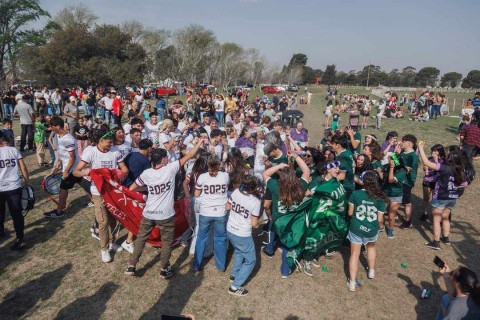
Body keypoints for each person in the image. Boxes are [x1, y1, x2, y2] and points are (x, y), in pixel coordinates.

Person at [125, 138, 204, 277]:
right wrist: (199, 142)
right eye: (166, 157)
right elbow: (190, 154)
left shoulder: (147, 173)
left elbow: (132, 188)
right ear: (162, 160)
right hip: (166, 215)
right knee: (167, 242)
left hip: (148, 213)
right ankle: (164, 269)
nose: (168, 158)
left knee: (141, 239)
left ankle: (131, 265)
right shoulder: (170, 169)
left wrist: (148, 189)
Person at [73, 128, 129, 263]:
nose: (111, 145)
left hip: (112, 191)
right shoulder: (90, 152)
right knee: (103, 221)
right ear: (100, 141)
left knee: (113, 219)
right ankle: (104, 249)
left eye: (112, 142)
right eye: (108, 142)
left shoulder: (115, 151)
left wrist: (121, 174)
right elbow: (76, 171)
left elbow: (124, 169)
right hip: (98, 192)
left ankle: (112, 242)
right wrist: (86, 172)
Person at [263, 153, 310, 278]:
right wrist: (296, 156)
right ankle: (285, 270)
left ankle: (270, 249)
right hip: (294, 222)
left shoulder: (275, 187)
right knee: (288, 245)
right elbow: (306, 170)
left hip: (279, 222)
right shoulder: (301, 187)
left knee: (282, 241)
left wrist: (279, 166)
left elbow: (265, 174)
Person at [418, 141, 467, 250]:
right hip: (453, 197)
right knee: (445, 218)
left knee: (436, 219)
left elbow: (426, 162)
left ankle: (436, 242)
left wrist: (421, 148)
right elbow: (464, 184)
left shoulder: (445, 168)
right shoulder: (461, 170)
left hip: (441, 197)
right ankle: (446, 238)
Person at [347, 171, 387, 292]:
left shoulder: (355, 194)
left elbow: (349, 213)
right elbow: (380, 220)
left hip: (356, 227)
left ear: (363, 181)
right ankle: (371, 271)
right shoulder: (380, 198)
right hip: (371, 229)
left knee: (354, 254)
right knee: (371, 248)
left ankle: (352, 282)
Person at [225, 175, 262, 296]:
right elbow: (254, 223)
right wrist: (257, 225)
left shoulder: (236, 192)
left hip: (230, 229)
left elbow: (227, 206)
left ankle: (234, 274)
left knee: (239, 251)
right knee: (251, 260)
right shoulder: (255, 202)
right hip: (242, 234)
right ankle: (235, 287)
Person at [193, 155, 230, 272]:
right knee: (220, 239)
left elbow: (197, 194)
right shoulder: (225, 176)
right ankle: (220, 266)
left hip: (205, 211)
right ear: (219, 165)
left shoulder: (202, 177)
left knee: (201, 238)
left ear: (208, 165)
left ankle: (197, 264)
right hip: (220, 212)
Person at [43, 117, 82, 218]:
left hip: (72, 169)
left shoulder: (68, 139)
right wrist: (56, 167)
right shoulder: (60, 137)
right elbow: (62, 155)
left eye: (51, 127)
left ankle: (59, 211)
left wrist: (66, 171)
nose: (50, 129)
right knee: (84, 184)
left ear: (58, 126)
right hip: (72, 168)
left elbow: (72, 157)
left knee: (63, 188)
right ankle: (95, 200)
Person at [121, 138, 153, 253]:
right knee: (137, 215)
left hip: (125, 188)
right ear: (149, 148)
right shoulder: (145, 161)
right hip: (136, 190)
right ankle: (128, 241)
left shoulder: (131, 154)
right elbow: (149, 177)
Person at [0, 131, 30, 250]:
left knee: (0, 212)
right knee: (16, 214)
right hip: (14, 186)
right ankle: (20, 238)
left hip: (1, 188)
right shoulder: (13, 150)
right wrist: (27, 182)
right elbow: (23, 167)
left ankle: (1, 232)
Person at [383, 143, 408, 239]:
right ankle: (380, 226)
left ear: (395, 162)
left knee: (391, 214)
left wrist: (392, 168)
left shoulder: (402, 172)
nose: (388, 159)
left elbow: (390, 180)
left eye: (390, 159)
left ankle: (390, 228)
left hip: (396, 195)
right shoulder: (387, 166)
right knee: (380, 211)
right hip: (385, 192)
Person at [421, 144, 446, 221]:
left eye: (435, 151)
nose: (433, 153)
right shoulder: (430, 159)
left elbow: (441, 171)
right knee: (426, 198)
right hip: (428, 180)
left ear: (440, 152)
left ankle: (434, 214)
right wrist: (425, 168)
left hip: (437, 182)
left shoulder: (444, 160)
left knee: (435, 199)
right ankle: (425, 213)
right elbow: (425, 169)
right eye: (432, 151)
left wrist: (436, 161)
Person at [399, 134, 419, 229]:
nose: (401, 142)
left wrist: (397, 158)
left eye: (403, 141)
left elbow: (408, 169)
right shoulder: (402, 152)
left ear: (409, 143)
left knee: (406, 201)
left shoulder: (413, 156)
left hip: (406, 181)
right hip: (399, 179)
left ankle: (408, 221)